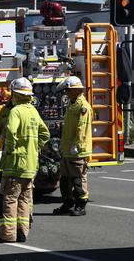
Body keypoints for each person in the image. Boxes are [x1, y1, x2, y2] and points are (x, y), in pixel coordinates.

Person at [0, 78, 49, 243]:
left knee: (9, 199)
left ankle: (8, 235)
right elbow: (45, 134)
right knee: (24, 199)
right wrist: (34, 147)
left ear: (15, 93)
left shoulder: (16, 111)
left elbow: (10, 131)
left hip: (15, 164)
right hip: (30, 165)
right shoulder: (33, 111)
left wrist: (10, 150)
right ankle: (22, 232)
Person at [53, 76, 92, 216]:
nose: (66, 93)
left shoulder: (83, 107)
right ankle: (68, 202)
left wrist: (77, 145)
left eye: (68, 90)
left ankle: (81, 205)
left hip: (77, 150)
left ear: (76, 90)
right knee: (65, 179)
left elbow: (82, 128)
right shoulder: (72, 104)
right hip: (68, 149)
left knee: (78, 179)